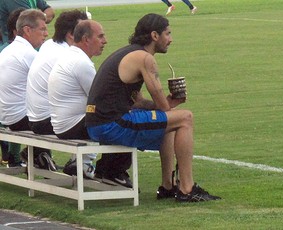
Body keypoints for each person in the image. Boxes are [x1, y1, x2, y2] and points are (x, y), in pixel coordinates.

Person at [86, 13, 221, 202]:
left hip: (98, 123)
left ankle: (168, 186)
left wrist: (167, 105)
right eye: (168, 34)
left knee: (170, 120)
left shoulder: (127, 52)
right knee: (185, 118)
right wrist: (168, 104)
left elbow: (139, 102)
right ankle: (187, 189)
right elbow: (162, 107)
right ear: (154, 35)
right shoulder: (145, 58)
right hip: (111, 125)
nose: (170, 39)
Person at [26, 9, 89, 174]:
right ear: (70, 34)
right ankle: (83, 164)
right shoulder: (68, 56)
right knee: (100, 114)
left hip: (35, 118)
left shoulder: (50, 45)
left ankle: (40, 154)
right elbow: (93, 94)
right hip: (47, 120)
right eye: (83, 30)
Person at [48, 19, 107, 179]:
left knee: (107, 115)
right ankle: (112, 172)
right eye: (100, 36)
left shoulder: (71, 55)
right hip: (70, 126)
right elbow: (101, 100)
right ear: (86, 39)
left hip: (62, 123)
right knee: (121, 122)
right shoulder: (81, 62)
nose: (105, 41)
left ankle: (82, 164)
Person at [0, 9, 50, 168]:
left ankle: (40, 156)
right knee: (68, 118)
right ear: (27, 30)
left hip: (8, 115)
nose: (46, 33)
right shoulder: (28, 54)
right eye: (42, 29)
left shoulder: (10, 49)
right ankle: (81, 163)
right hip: (19, 118)